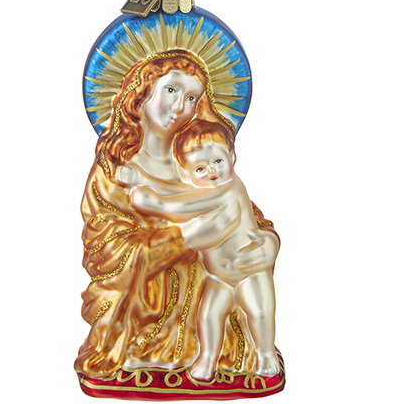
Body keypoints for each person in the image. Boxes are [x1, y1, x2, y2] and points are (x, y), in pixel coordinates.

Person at [75, 50, 279, 380]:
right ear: (142, 91)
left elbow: (244, 212)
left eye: (191, 98)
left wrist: (268, 242)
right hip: (147, 299)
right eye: (171, 90)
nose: (179, 106)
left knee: (250, 304)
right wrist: (183, 240)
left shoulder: (198, 158)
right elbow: (104, 252)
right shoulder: (115, 170)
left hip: (218, 277)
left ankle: (232, 353)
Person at [130, 120, 280, 380]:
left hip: (250, 271)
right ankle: (207, 357)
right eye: (200, 168)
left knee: (260, 312)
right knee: (209, 315)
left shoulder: (228, 189)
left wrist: (153, 203)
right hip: (218, 276)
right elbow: (184, 192)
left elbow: (181, 206)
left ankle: (265, 353)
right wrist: (144, 180)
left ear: (232, 156)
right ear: (186, 172)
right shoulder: (200, 189)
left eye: (218, 161)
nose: (212, 171)